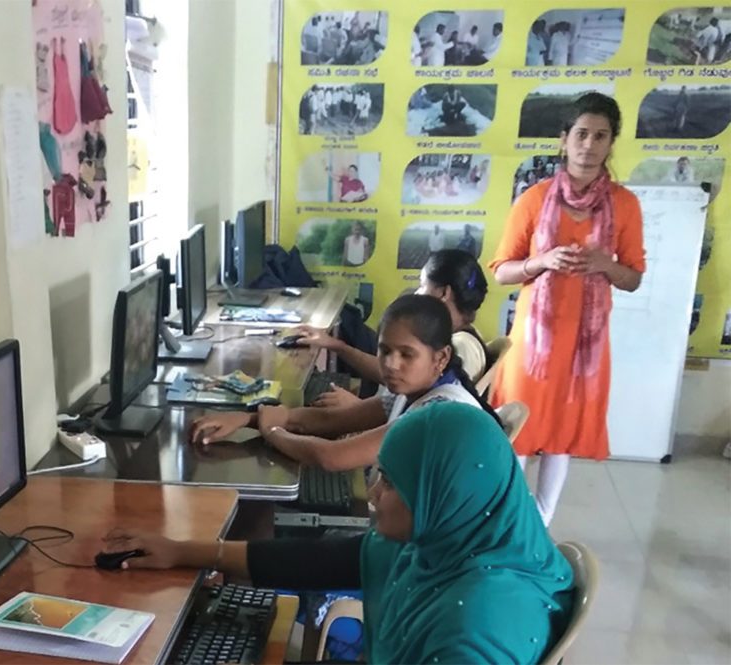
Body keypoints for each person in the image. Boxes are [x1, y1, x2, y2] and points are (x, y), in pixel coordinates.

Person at [103, 403, 575, 664]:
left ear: (443, 495)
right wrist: (186, 552)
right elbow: (325, 560)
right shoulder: (450, 543)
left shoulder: (476, 628)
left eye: (390, 482)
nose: (371, 493)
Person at [490, 92, 645, 526]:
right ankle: (504, 523)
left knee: (561, 434)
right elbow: (502, 271)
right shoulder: (534, 199)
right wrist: (541, 262)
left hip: (584, 348)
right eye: (581, 134)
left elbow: (633, 277)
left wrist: (604, 264)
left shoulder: (625, 205)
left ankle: (539, 526)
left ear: (611, 143)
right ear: (563, 140)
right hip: (533, 344)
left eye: (600, 136)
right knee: (517, 432)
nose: (589, 144)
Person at [188, 295, 497, 472]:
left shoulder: (438, 412)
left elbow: (331, 457)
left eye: (407, 354)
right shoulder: (416, 390)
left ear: (441, 358)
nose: (390, 364)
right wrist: (248, 418)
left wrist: (272, 431)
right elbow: (331, 421)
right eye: (385, 350)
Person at [294, 251, 491, 408]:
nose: (417, 292)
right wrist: (337, 346)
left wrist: (356, 406)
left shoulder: (462, 347)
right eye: (386, 351)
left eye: (422, 285)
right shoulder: (460, 336)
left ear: (443, 293)